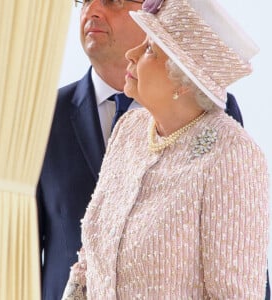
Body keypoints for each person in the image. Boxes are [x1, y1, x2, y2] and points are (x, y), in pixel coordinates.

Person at [36, 0, 252, 299]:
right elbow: (74, 261)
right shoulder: (122, 130)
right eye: (84, 0)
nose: (92, 10)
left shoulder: (226, 136)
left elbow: (238, 264)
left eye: (114, 0)